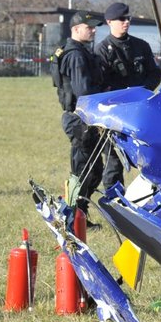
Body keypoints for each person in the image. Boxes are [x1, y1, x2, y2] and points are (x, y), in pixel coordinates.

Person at [96, 2, 161, 191]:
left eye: (128, 19)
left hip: (141, 110)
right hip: (116, 113)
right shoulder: (102, 51)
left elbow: (154, 73)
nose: (126, 22)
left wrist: (142, 90)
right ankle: (115, 198)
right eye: (121, 19)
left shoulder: (141, 46)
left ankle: (153, 195)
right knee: (113, 160)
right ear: (109, 22)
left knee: (149, 156)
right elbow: (101, 84)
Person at [55, 12, 107, 207]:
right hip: (81, 120)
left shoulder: (77, 51)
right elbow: (83, 91)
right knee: (84, 171)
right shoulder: (76, 55)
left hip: (82, 119)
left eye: (94, 27)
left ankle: (80, 215)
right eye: (89, 27)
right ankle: (72, 217)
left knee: (92, 171)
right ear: (76, 29)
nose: (93, 30)